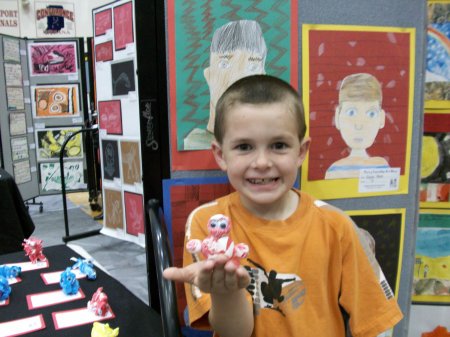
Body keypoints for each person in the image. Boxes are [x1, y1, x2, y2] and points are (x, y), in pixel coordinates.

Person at [164, 74, 403, 337]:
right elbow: (236, 332)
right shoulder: (209, 224)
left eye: (279, 145)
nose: (262, 162)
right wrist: (226, 292)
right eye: (244, 147)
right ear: (221, 155)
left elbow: (377, 321)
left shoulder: (337, 226)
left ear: (301, 152)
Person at [184, 20, 267, 150]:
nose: (238, 78)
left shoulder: (269, 145)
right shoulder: (192, 143)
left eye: (252, 66)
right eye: (224, 64)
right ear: (208, 75)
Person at [325, 73, 390, 180]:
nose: (359, 125)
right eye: (351, 112)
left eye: (371, 114)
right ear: (337, 117)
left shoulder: (381, 166)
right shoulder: (335, 170)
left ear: (381, 119)